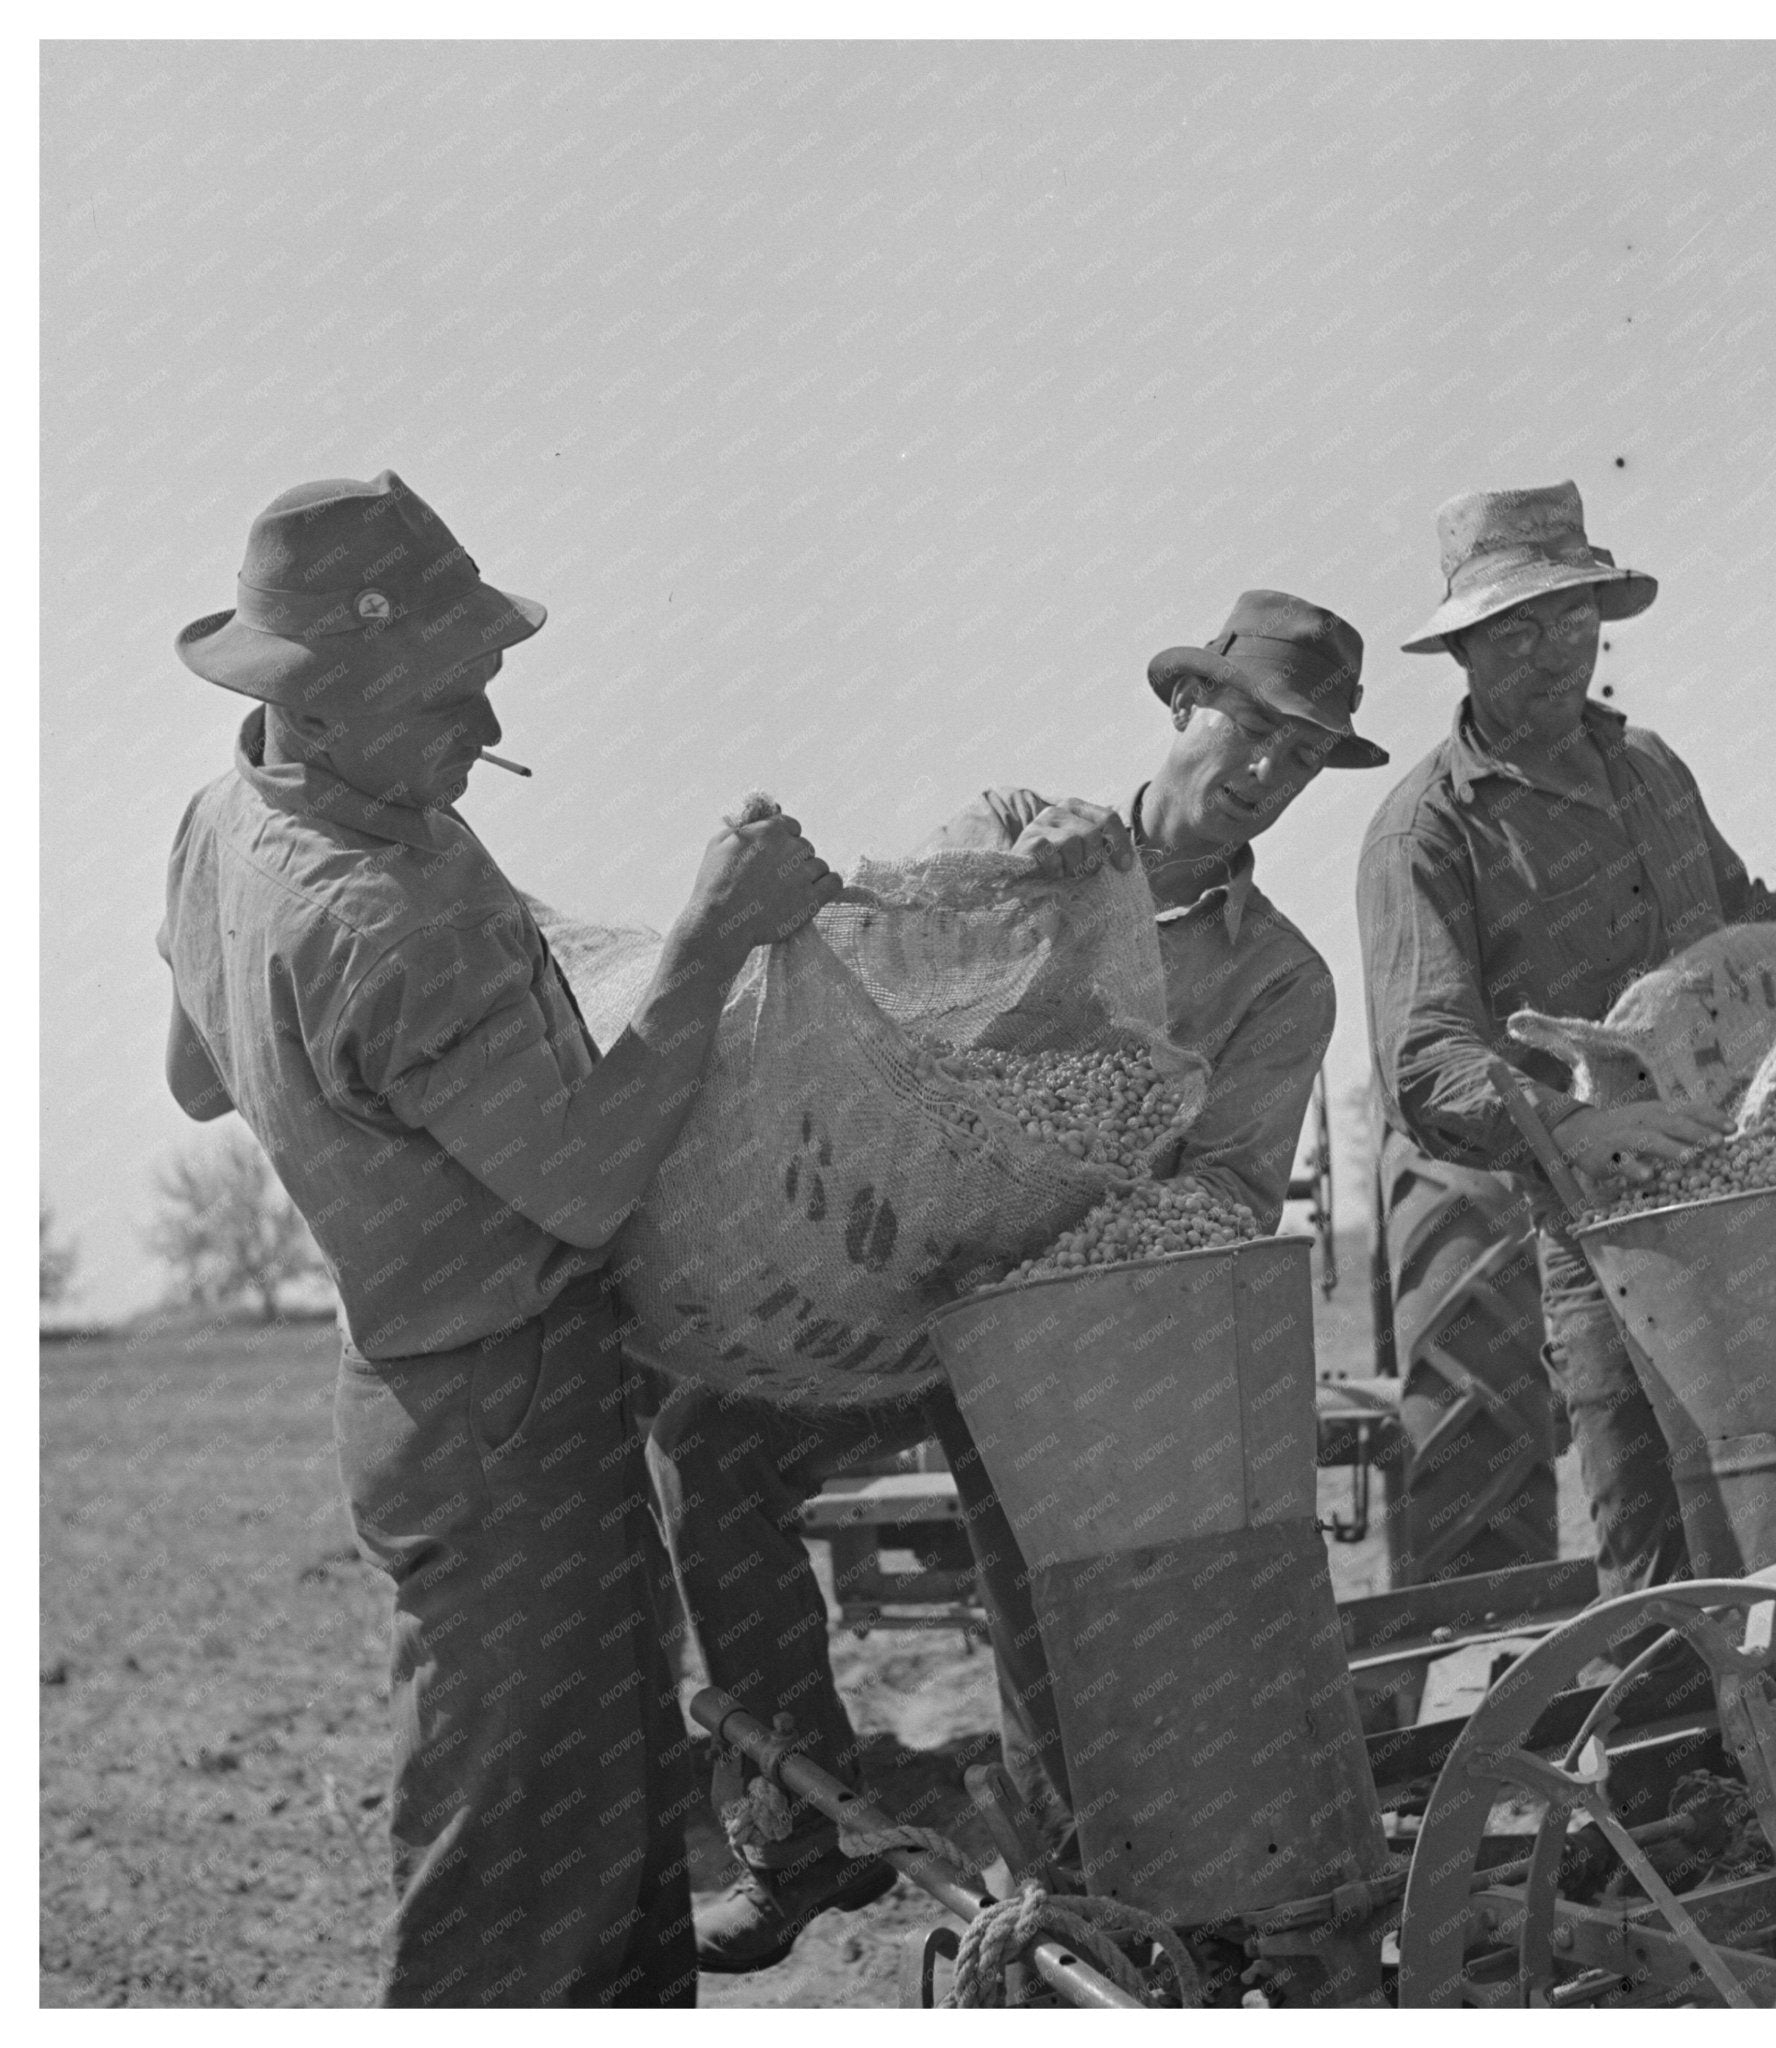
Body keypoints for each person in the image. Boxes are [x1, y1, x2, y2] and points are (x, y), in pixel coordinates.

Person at [157, 471, 841, 2007]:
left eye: (487, 684)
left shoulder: (230, 820)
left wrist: (366, 1090)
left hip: (411, 1397)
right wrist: (712, 935)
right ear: (318, 705)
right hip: (508, 1412)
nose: (483, 727)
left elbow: (198, 1071)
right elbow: (590, 1184)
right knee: (522, 1871)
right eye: (447, 697)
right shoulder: (386, 917)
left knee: (592, 1831)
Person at [653, 589, 1388, 1971]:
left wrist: (1088, 1219)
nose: (1267, 776)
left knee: (1059, 1614)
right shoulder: (1010, 832)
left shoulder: (1278, 980)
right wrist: (1035, 908)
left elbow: (1229, 1190)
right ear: (1185, 706)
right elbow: (883, 967)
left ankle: (1077, 1924)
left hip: (1062, 1335)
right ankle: (800, 1832)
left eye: (1303, 760)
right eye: (1254, 732)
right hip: (897, 1294)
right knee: (705, 1449)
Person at [1356, 481, 1776, 1605]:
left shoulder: (1648, 767)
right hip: (1608, 1230)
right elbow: (1423, 1057)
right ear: (1460, 648)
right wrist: (1585, 1120)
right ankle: (1667, 1775)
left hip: (1747, 1198)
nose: (1551, 649)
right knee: (1659, 1538)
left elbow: (1747, 930)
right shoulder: (1429, 828)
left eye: (1570, 616)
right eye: (1514, 628)